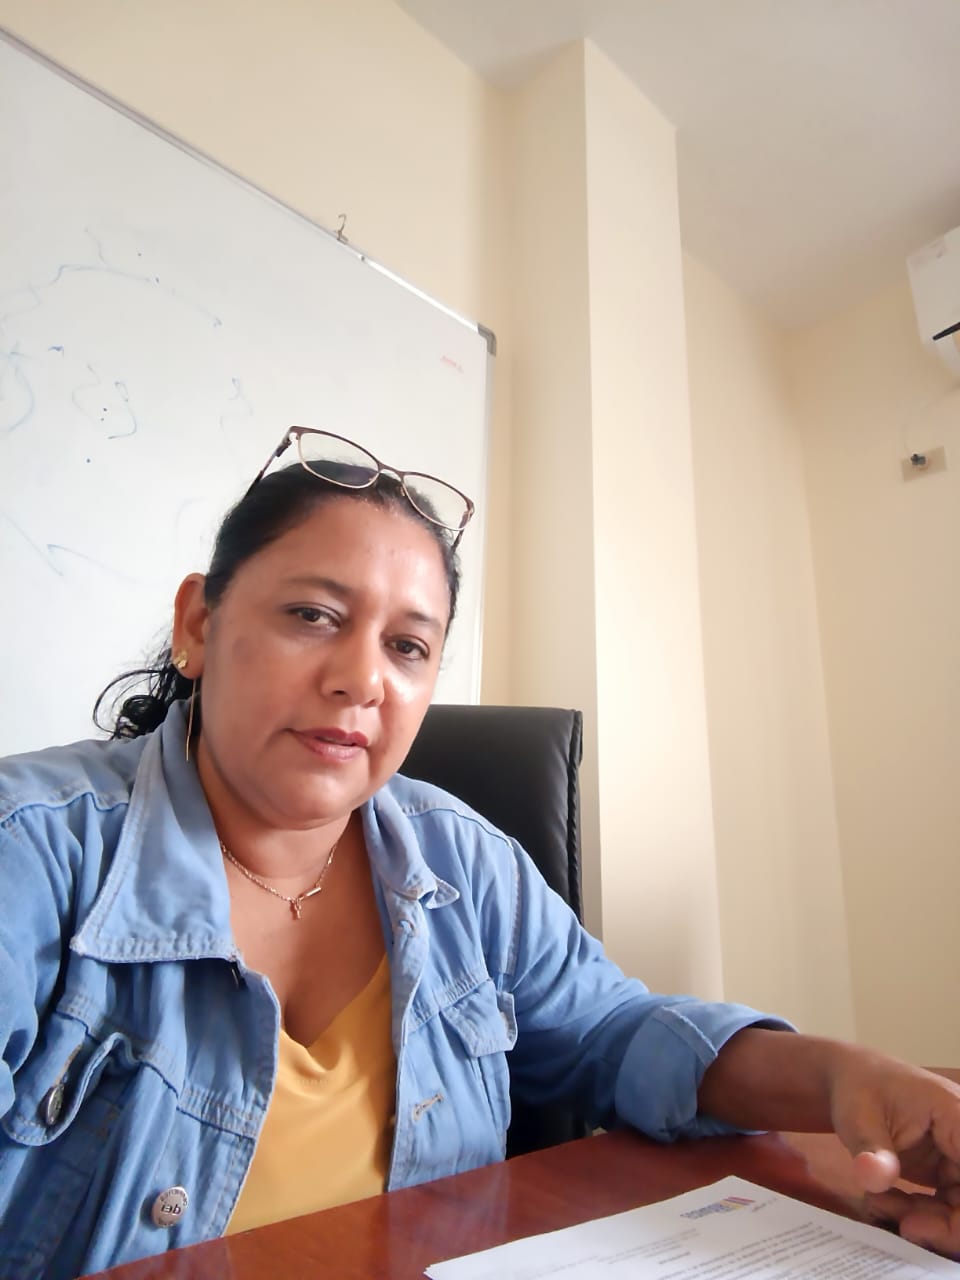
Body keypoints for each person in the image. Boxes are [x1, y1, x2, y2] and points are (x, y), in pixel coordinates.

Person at [1, 427, 959, 1279]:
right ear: (199, 624)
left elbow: (616, 1033)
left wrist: (843, 1078)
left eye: (408, 647)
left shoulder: (463, 864)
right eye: (313, 616)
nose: (362, 680)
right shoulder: (32, 853)